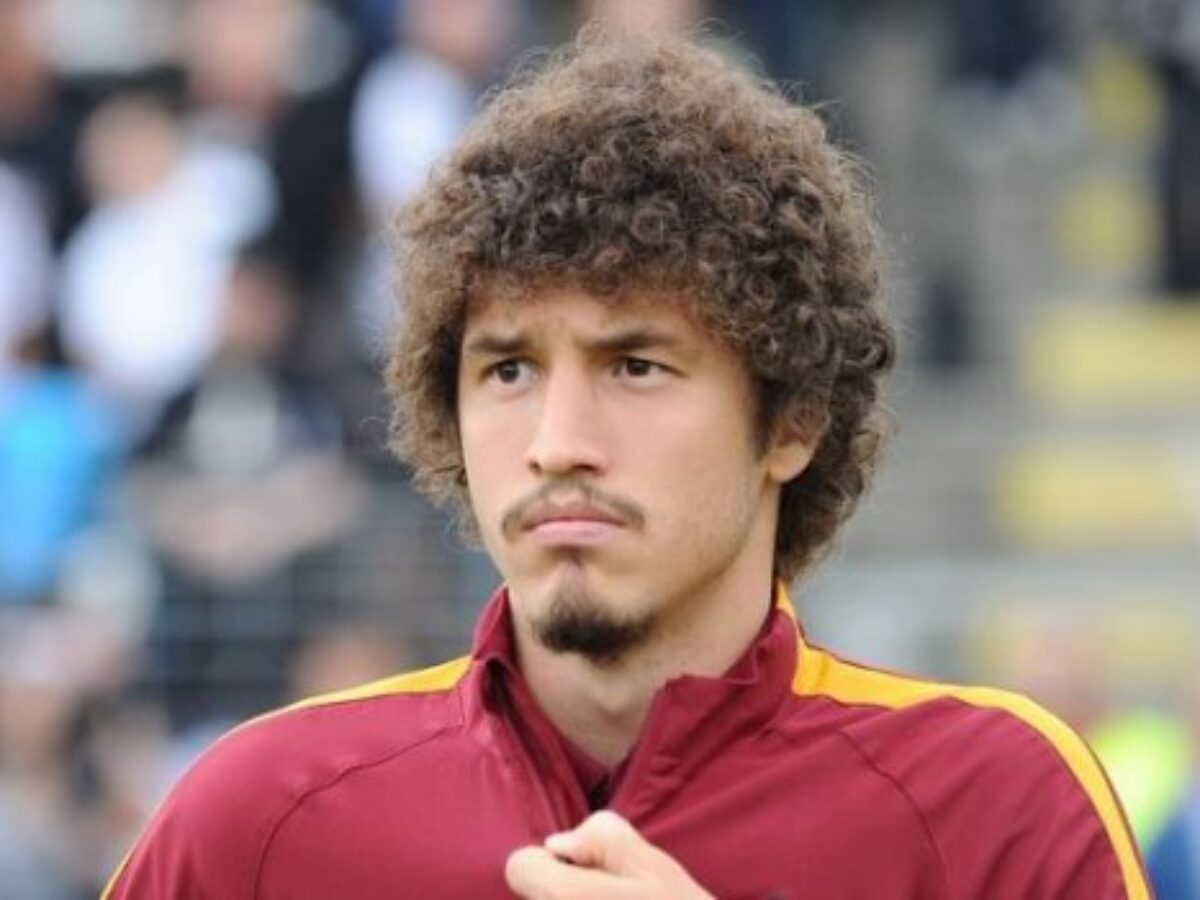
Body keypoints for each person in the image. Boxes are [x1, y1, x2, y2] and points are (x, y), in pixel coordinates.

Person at [102, 26, 1149, 899]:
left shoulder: (998, 805)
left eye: (636, 365)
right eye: (508, 370)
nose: (556, 440)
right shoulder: (258, 820)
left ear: (792, 420)